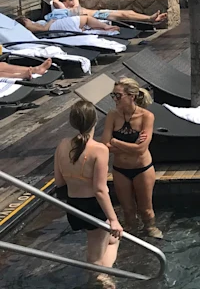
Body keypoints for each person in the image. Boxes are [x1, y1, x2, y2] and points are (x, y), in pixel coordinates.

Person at [54, 100, 123, 288]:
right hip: (93, 206)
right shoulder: (99, 150)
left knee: (112, 240)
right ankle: (101, 280)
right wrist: (113, 219)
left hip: (73, 205)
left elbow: (59, 182)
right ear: (95, 121)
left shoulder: (62, 145)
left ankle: (103, 275)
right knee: (95, 256)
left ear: (72, 122)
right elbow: (100, 189)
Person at [100, 78, 161, 239]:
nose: (115, 99)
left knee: (146, 209)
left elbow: (141, 150)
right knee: (127, 209)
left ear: (131, 96)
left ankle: (151, 228)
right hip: (121, 169)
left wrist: (115, 142)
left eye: (118, 96)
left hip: (142, 169)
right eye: (113, 95)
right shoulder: (112, 115)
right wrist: (131, 146)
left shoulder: (146, 116)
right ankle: (131, 234)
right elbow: (104, 144)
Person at [53, 0, 167, 26]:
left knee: (129, 12)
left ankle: (150, 18)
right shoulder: (65, 9)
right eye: (70, 0)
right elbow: (55, 1)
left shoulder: (76, 6)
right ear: (64, 3)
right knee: (124, 15)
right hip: (97, 17)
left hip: (100, 13)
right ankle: (150, 19)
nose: (73, 1)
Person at [18, 14, 120, 34]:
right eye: (26, 19)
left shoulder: (30, 25)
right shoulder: (28, 26)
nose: (28, 19)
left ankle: (105, 29)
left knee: (85, 24)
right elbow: (44, 29)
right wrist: (50, 21)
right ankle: (106, 27)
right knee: (86, 18)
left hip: (56, 26)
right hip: (55, 26)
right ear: (24, 21)